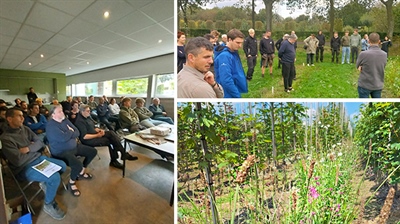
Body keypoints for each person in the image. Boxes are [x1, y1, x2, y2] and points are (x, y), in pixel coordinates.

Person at [0, 108, 67, 220]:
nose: (23, 118)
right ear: (9, 119)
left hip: (38, 159)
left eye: (22, 115)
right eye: (19, 116)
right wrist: (34, 149)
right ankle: (48, 204)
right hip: (24, 168)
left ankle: (45, 183)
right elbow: (18, 161)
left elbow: (40, 142)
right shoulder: (5, 138)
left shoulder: (25, 129)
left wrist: (27, 149)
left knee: (63, 165)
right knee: (54, 177)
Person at [46, 105, 97, 197]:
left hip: (74, 147)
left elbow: (77, 132)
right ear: (53, 115)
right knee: (77, 165)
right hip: (61, 152)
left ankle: (81, 172)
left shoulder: (65, 120)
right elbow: (62, 138)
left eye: (62, 110)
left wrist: (69, 133)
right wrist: (70, 132)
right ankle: (71, 182)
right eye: (59, 112)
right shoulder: (50, 126)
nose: (62, 113)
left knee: (93, 152)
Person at [74, 104, 137, 170]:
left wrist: (99, 130)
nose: (89, 112)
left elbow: (92, 127)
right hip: (89, 140)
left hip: (95, 134)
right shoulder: (79, 121)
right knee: (110, 140)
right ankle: (119, 157)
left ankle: (121, 155)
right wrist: (97, 135)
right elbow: (84, 137)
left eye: (89, 111)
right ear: (82, 111)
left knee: (111, 134)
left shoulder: (87, 117)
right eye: (88, 111)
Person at [214, 29, 248, 98]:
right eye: (237, 43)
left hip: (233, 91)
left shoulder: (233, 53)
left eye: (241, 43)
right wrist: (237, 96)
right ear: (229, 40)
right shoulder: (224, 56)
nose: (240, 46)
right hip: (227, 94)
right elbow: (226, 80)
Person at [356, 33, 387, 98]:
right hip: (378, 84)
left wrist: (361, 66)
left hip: (364, 85)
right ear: (379, 41)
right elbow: (382, 66)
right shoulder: (384, 54)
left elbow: (357, 66)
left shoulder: (363, 54)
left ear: (369, 41)